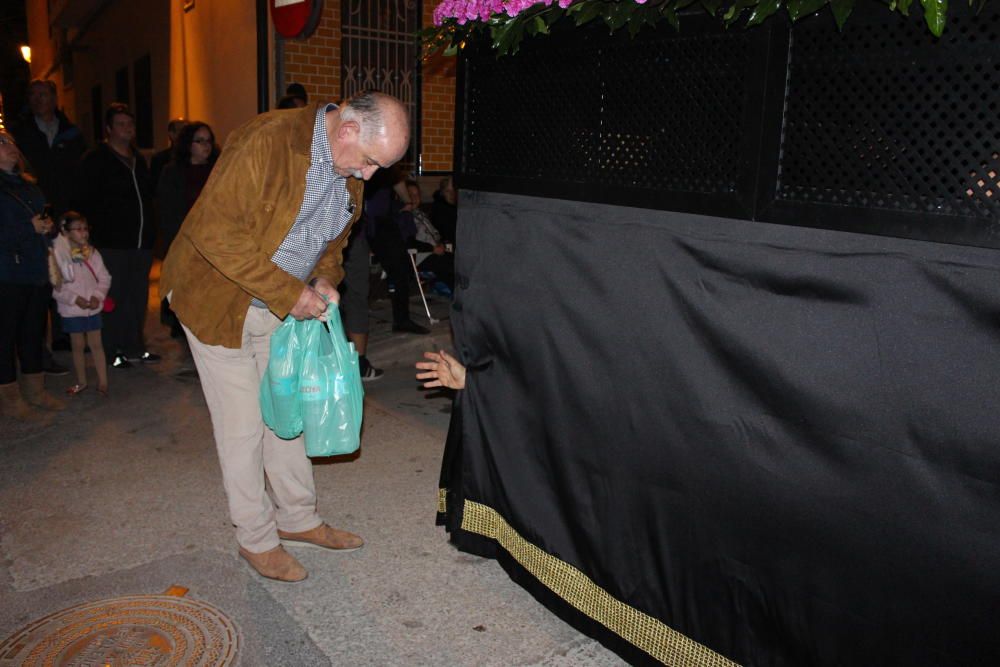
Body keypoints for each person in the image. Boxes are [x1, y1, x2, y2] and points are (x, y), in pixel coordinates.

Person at [160, 91, 410, 583]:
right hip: (218, 303)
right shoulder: (267, 140)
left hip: (278, 307)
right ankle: (256, 538)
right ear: (349, 130)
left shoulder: (348, 169)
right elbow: (214, 233)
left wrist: (322, 280)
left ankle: (298, 519)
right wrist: (286, 291)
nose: (368, 176)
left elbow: (333, 243)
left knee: (285, 413)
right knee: (244, 427)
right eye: (369, 162)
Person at [72, 103, 159, 369]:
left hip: (140, 242)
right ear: (108, 129)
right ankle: (112, 350)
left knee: (137, 297)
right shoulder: (96, 159)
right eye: (120, 124)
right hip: (112, 243)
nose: (127, 129)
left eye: (130, 124)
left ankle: (135, 346)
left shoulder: (138, 159)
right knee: (114, 297)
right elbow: (84, 198)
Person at [0, 130, 65, 420]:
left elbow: (43, 224)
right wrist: (29, 228)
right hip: (7, 272)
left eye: (11, 142)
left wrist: (49, 227)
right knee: (5, 335)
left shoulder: (29, 186)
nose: (10, 147)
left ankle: (35, 389)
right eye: (2, 144)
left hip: (36, 269)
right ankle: (10, 396)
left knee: (33, 331)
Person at [157, 121, 220, 338]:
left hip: (214, 241)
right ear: (188, 145)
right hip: (185, 241)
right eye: (199, 141)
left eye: (209, 141)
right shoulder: (173, 172)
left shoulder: (218, 171)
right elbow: (168, 210)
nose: (206, 146)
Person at [52, 212, 110, 396]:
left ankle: (103, 381)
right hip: (72, 310)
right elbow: (56, 287)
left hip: (92, 309)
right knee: (77, 346)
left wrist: (97, 296)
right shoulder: (58, 256)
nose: (83, 233)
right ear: (66, 232)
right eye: (78, 229)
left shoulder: (92, 253)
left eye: (85, 229)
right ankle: (82, 381)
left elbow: (104, 278)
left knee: (97, 344)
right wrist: (74, 299)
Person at [400, 179, 453, 294]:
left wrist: (441, 243)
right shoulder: (404, 217)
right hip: (419, 258)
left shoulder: (421, 214)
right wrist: (433, 249)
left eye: (417, 195)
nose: (414, 198)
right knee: (450, 264)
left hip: (434, 253)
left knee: (457, 261)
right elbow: (408, 242)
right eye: (410, 195)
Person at [150, 117, 185, 194]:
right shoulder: (160, 159)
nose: (187, 134)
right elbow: (155, 188)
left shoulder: (195, 158)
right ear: (172, 134)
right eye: (182, 130)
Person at [431, 175, 458, 246]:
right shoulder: (439, 209)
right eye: (448, 191)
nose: (451, 194)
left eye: (454, 191)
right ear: (442, 192)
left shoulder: (458, 207)